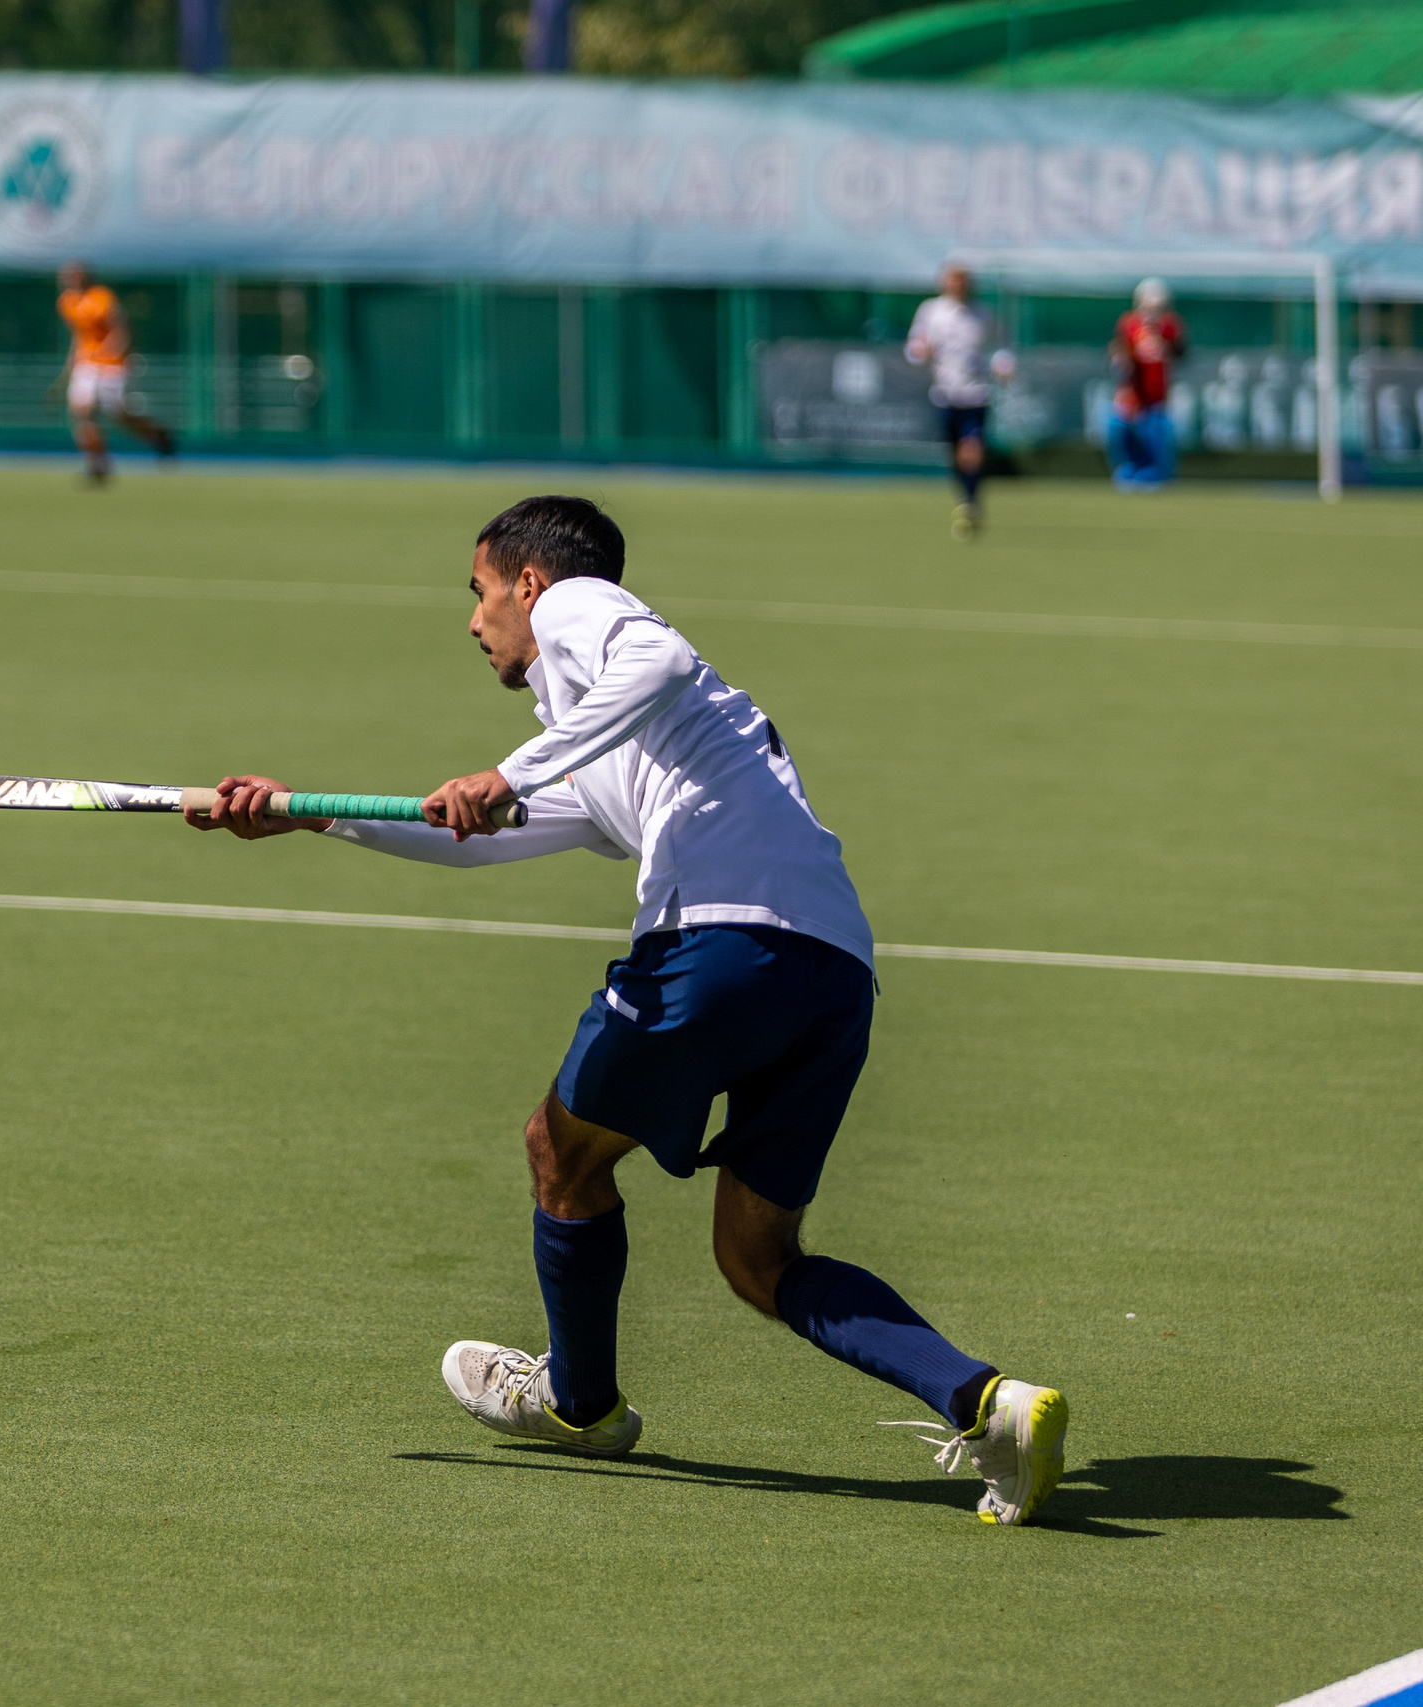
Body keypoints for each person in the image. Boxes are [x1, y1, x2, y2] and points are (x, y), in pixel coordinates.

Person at [190, 495, 1072, 1527]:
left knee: (558, 1153)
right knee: (757, 1260)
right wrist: (304, 816)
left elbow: (642, 667)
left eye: (477, 594)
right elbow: (483, 834)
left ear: (528, 582)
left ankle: (581, 1404)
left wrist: (504, 770)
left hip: (718, 947)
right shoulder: (609, 739)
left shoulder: (579, 610)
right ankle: (988, 1402)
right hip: (830, 976)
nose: (472, 623)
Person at [904, 264, 1012, 540]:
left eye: (962, 281)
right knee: (956, 455)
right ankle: (966, 496)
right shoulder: (931, 311)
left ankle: (970, 503)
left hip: (975, 395)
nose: (957, 286)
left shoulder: (982, 314)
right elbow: (914, 348)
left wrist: (1003, 366)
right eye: (952, 281)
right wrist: (921, 350)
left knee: (972, 451)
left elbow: (1001, 347)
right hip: (944, 394)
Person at [54, 263, 174, 483]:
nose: (70, 280)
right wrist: (72, 362)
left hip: (112, 364)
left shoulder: (101, 297)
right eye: (67, 276)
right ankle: (98, 463)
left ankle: (159, 435)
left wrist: (113, 350)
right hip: (87, 364)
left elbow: (121, 330)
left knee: (119, 415)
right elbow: (79, 335)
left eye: (75, 275)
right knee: (82, 412)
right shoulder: (66, 302)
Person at [1107, 279, 1188, 491]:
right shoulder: (1129, 323)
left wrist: (1168, 346)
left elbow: (1181, 351)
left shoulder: (1169, 325)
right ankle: (1129, 469)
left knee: (1155, 431)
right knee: (1121, 427)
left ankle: (1155, 474)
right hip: (1133, 391)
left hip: (1157, 391)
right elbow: (1118, 351)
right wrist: (1122, 360)